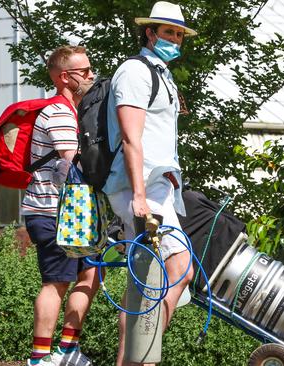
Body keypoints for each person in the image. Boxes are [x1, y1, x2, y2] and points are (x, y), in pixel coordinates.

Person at [102, 2, 197, 365]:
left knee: (148, 280)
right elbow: (130, 138)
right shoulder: (135, 71)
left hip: (158, 189)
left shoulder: (161, 74)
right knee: (176, 269)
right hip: (137, 189)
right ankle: (143, 357)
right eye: (168, 32)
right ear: (150, 33)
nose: (174, 39)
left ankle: (135, 357)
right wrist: (139, 196)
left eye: (178, 34)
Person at [22, 45, 97, 366]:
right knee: (56, 282)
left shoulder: (73, 112)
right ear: (65, 78)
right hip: (53, 211)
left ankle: (68, 351)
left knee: (91, 274)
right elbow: (72, 163)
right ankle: (39, 359)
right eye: (85, 71)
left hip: (73, 212)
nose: (91, 75)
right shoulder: (59, 113)